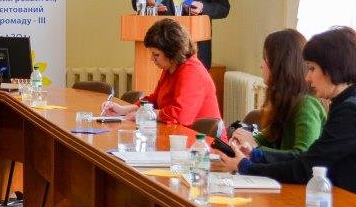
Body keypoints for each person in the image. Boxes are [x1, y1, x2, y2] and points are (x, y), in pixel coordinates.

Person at [217, 27, 356, 192]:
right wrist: (255, 155)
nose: (307, 77)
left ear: (331, 69)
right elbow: (309, 158)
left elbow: (307, 167)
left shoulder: (348, 111)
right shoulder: (342, 104)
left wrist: (247, 166)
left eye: (312, 68)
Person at [102, 18, 222, 127]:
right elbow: (154, 101)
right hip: (178, 134)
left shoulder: (192, 71)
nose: (152, 59)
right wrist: (123, 110)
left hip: (202, 140)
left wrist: (147, 114)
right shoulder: (170, 67)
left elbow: (181, 114)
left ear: (172, 52)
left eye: (156, 54)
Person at [229, 29, 326, 157]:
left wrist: (256, 149)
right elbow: (267, 137)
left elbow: (303, 155)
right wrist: (244, 141)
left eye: (265, 58)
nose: (261, 65)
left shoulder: (306, 105)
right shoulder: (287, 102)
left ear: (280, 65)